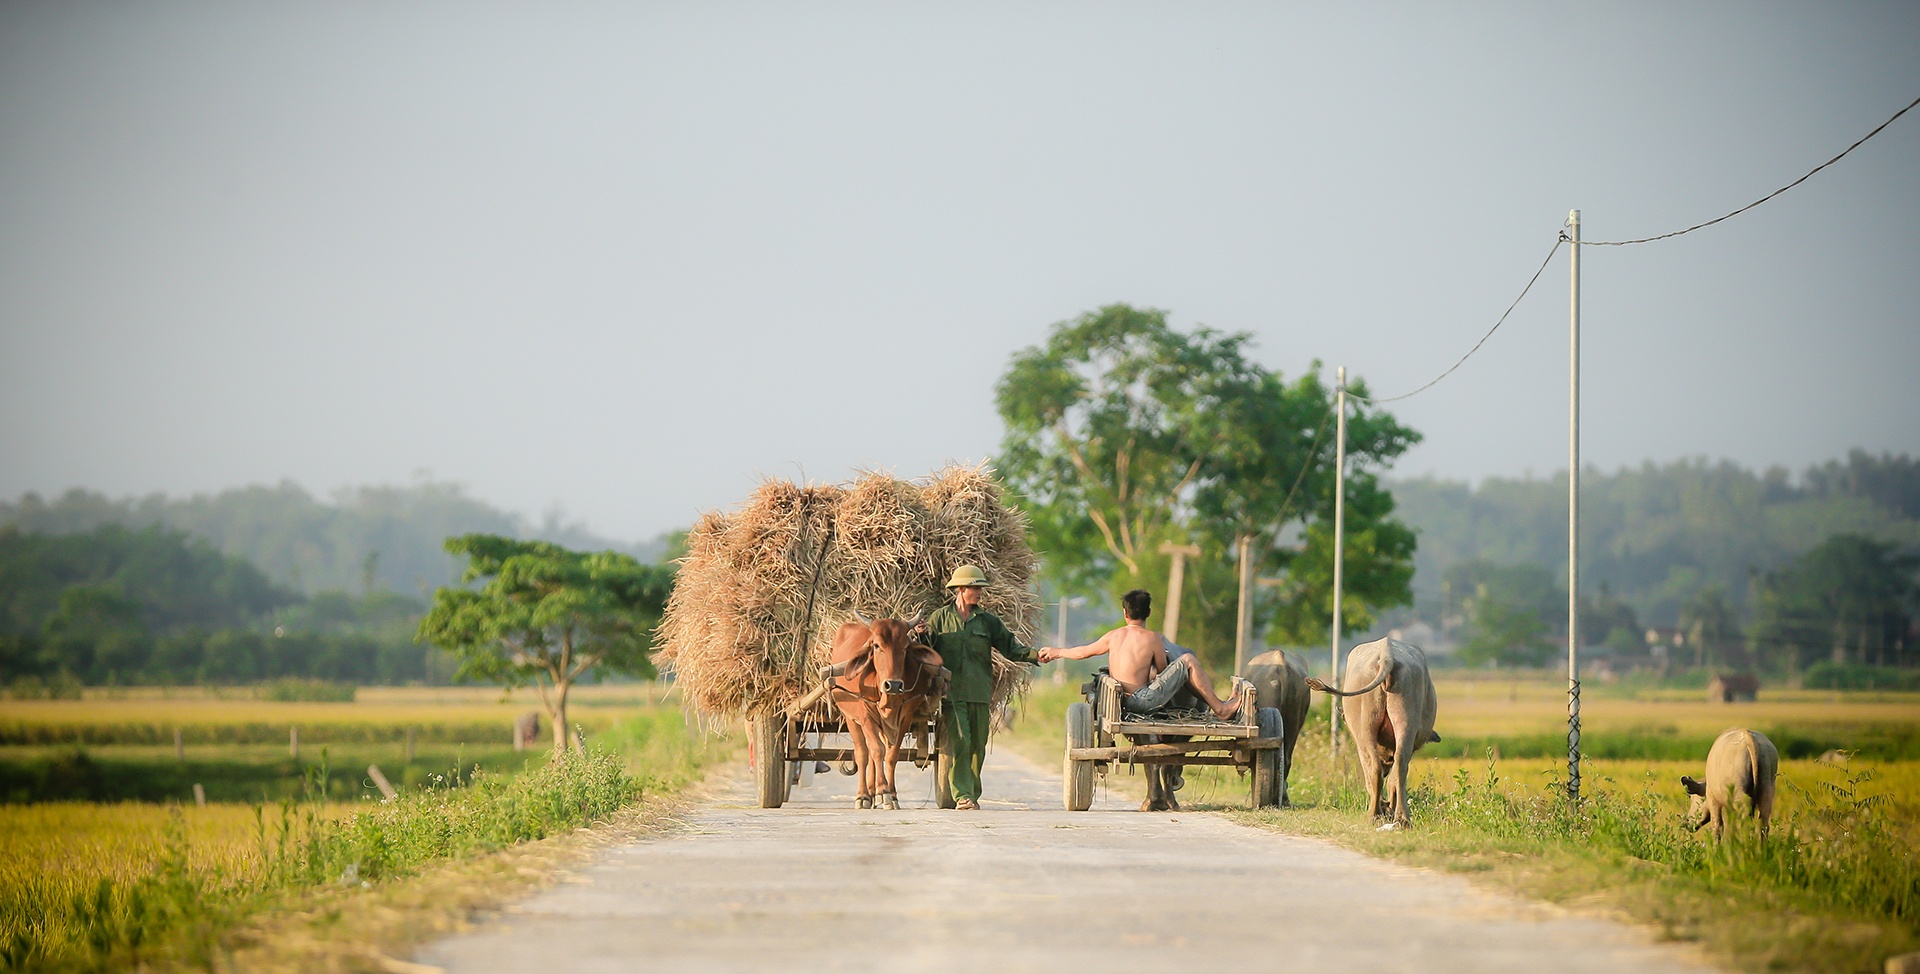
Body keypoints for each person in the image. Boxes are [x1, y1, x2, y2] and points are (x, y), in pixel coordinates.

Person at [918, 565, 1041, 810]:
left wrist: (1036, 655)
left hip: (980, 691)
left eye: (980, 588)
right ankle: (962, 794)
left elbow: (1010, 647)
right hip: (951, 692)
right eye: (975, 588)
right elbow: (927, 651)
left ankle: (971, 794)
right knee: (961, 740)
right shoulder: (939, 618)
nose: (979, 593)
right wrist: (921, 635)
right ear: (961, 590)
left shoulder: (988, 622)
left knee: (978, 744)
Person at [1038, 589, 1240, 720]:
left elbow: (1083, 652)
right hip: (1143, 700)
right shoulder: (1153, 638)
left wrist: (1056, 652)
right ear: (1149, 613)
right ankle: (1220, 708)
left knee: (1182, 665)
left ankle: (1219, 705)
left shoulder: (1113, 636)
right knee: (1188, 660)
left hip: (1117, 701)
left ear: (1125, 613)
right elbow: (1162, 670)